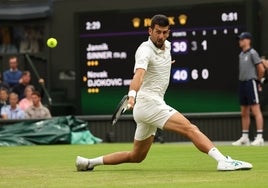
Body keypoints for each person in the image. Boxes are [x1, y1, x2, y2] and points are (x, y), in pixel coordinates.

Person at [76, 15, 252, 171]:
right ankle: (222, 161)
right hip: (148, 103)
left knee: (136, 156)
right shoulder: (144, 50)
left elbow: (159, 64)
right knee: (190, 128)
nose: (161, 36)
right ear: (150, 30)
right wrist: (132, 95)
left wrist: (166, 64)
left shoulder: (167, 46)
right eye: (158, 32)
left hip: (147, 108)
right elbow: (139, 75)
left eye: (165, 32)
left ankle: (88, 162)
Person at [232, 32, 265, 146]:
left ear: (248, 40)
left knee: (256, 110)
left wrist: (258, 81)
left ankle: (260, 137)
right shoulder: (241, 54)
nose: (240, 41)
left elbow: (261, 69)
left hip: (251, 82)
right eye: (239, 39)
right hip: (242, 83)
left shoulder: (252, 53)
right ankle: (245, 137)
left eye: (242, 39)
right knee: (244, 112)